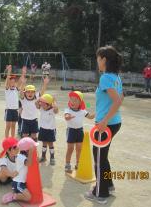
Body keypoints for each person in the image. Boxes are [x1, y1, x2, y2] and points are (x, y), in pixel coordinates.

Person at [84, 46, 123, 204]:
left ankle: (101, 194)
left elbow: (118, 100)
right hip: (113, 122)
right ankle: (109, 185)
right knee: (103, 157)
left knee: (99, 159)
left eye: (98, 58)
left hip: (106, 126)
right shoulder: (116, 77)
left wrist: (104, 120)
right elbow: (120, 98)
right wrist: (97, 114)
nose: (97, 62)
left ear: (104, 59)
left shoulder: (106, 77)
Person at [64, 91, 95, 173]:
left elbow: (91, 117)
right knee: (70, 149)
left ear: (80, 102)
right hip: (71, 131)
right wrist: (68, 117)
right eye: (71, 100)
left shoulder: (83, 111)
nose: (72, 102)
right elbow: (66, 117)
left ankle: (78, 164)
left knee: (79, 149)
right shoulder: (67, 110)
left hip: (80, 131)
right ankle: (67, 165)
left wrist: (99, 112)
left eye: (75, 100)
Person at [2, 137, 36, 204]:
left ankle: (16, 193)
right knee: (28, 197)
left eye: (17, 146)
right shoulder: (20, 157)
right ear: (8, 150)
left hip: (22, 182)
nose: (17, 148)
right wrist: (31, 151)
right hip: (18, 183)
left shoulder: (21, 156)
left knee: (29, 194)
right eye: (14, 147)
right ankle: (14, 196)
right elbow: (29, 163)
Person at [19, 75, 49, 141]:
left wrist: (45, 83)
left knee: (34, 136)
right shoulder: (23, 99)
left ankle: (33, 149)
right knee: (25, 136)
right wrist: (23, 83)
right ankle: (24, 150)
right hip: (25, 120)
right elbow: (21, 92)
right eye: (28, 92)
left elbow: (42, 91)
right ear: (25, 93)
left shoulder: (36, 98)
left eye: (32, 92)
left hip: (34, 120)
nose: (30, 93)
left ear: (34, 93)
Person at [36, 94, 59, 165]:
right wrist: (40, 99)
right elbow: (36, 103)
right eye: (41, 103)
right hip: (43, 129)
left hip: (51, 130)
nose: (41, 104)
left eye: (43, 103)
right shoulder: (41, 109)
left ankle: (52, 158)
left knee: (51, 144)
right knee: (44, 143)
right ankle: (43, 157)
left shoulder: (52, 110)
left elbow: (56, 110)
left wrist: (54, 101)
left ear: (48, 104)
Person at [4, 65, 26, 137]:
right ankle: (6, 140)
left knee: (13, 126)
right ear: (9, 83)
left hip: (15, 110)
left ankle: (12, 139)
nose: (13, 83)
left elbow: (20, 81)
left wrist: (23, 73)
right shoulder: (7, 89)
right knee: (8, 126)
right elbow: (7, 80)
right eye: (11, 81)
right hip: (9, 110)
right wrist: (9, 71)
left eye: (14, 81)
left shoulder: (16, 89)